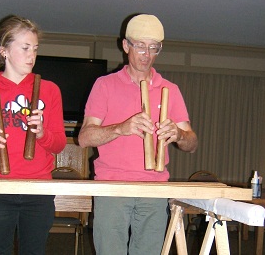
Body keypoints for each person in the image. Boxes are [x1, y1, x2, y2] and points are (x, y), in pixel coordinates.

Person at [78, 14, 198, 255]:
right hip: (112, 186)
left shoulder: (170, 90)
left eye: (154, 48)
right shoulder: (105, 85)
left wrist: (178, 134)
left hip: (154, 188)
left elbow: (192, 143)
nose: (147, 54)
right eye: (140, 46)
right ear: (126, 45)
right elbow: (84, 138)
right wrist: (120, 128)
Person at [0, 15, 66, 255]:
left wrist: (42, 134)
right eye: (25, 48)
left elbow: (59, 144)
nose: (32, 55)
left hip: (38, 189)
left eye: (35, 49)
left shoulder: (49, 90)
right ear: (3, 51)